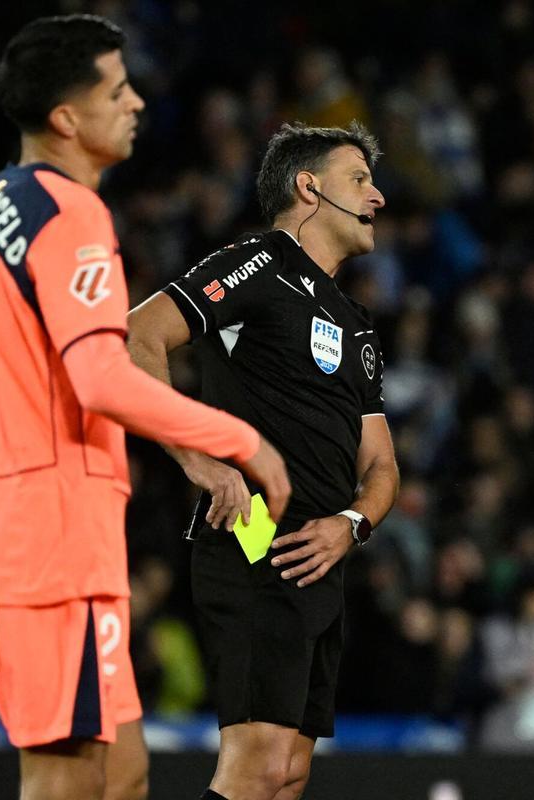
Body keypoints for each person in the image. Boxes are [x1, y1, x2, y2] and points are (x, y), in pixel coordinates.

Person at [0, 15, 290, 800]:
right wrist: (236, 439)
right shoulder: (71, 212)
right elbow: (99, 376)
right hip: (51, 536)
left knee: (123, 772)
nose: (136, 103)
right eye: (117, 89)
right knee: (66, 777)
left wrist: (188, 454)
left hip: (5, 522)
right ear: (67, 118)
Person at [128, 121, 400, 800]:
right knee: (257, 767)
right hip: (255, 543)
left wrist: (353, 525)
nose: (378, 198)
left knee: (289, 775)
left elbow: (384, 468)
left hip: (323, 557)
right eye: (359, 179)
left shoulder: (355, 319)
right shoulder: (258, 261)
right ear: (309, 187)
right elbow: (139, 335)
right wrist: (199, 459)